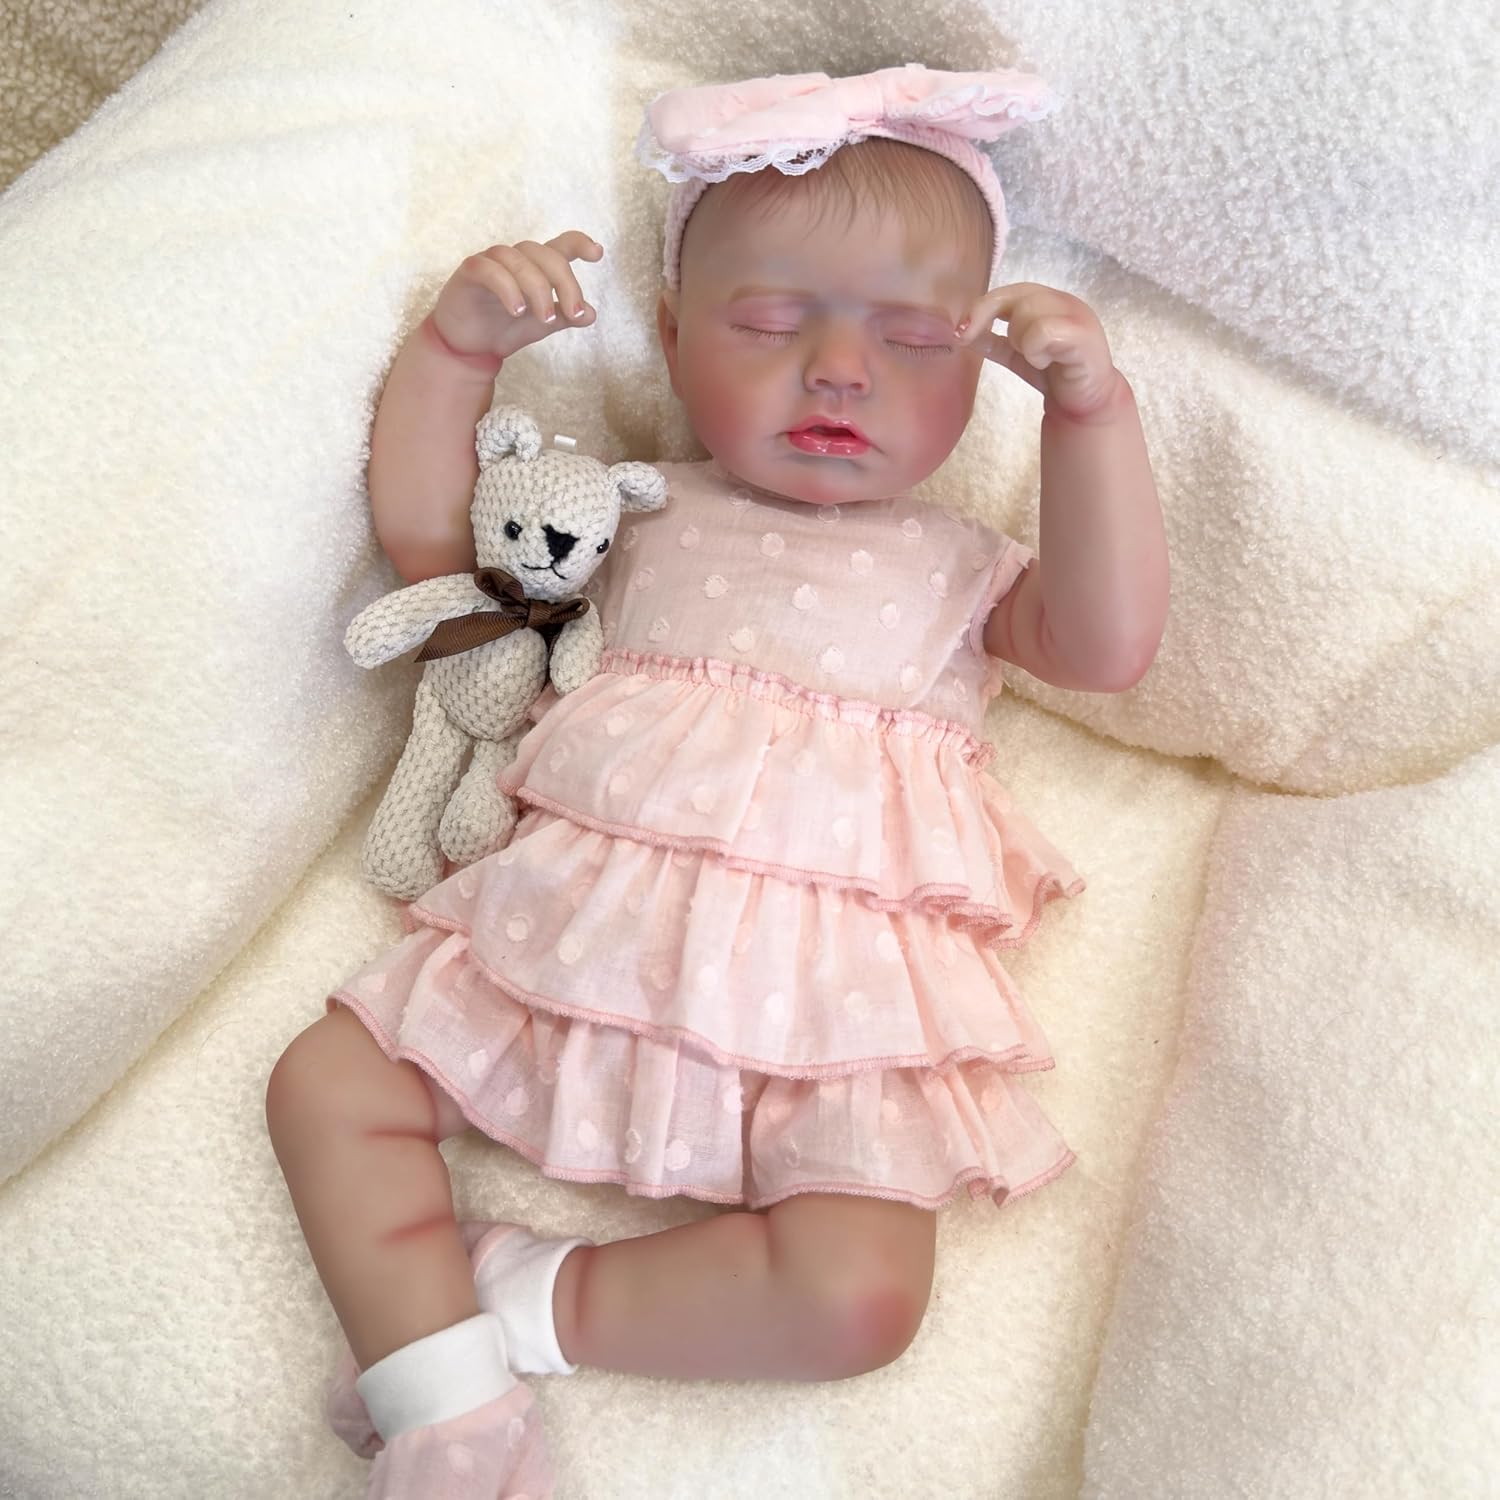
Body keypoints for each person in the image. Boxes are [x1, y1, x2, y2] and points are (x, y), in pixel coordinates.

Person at [265, 62, 1169, 1498]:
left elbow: (1110, 648)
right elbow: (436, 546)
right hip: (574, 942)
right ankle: (448, 1413)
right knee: (324, 1085)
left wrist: (1091, 415)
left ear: (971, 373)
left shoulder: (959, 568)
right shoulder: (639, 511)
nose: (840, 369)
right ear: (677, 335)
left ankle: (509, 1305)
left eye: (911, 339)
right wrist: (455, 350)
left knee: (858, 1302)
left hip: (833, 1014)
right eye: (770, 322)